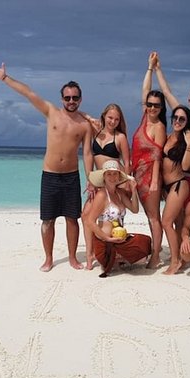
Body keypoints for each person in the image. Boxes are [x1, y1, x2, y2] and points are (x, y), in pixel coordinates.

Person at [0, 62, 93, 272]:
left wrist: (90, 179)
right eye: (67, 98)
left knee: (72, 219)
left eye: (75, 98)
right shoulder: (51, 112)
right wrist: (5, 78)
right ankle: (49, 258)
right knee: (48, 220)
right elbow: (29, 93)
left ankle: (73, 258)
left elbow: (87, 153)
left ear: (80, 99)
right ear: (62, 99)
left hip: (71, 177)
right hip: (50, 176)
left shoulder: (84, 125)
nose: (71, 101)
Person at [82, 104, 131, 269]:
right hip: (100, 179)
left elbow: (127, 162)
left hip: (116, 181)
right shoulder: (95, 131)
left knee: (114, 218)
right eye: (110, 117)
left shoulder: (120, 137)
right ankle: (90, 254)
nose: (113, 121)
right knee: (86, 215)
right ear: (104, 116)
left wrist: (126, 183)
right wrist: (90, 178)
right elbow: (89, 155)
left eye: (117, 119)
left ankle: (113, 251)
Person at [83, 160, 151, 278]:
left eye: (115, 174)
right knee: (141, 258)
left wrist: (134, 190)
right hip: (105, 242)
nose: (112, 177)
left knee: (146, 242)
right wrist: (107, 238)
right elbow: (90, 221)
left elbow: (135, 209)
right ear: (104, 177)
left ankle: (117, 258)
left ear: (119, 176)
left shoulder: (119, 193)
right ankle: (111, 258)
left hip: (119, 239)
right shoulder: (101, 195)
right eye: (109, 174)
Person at [132, 52, 167, 268]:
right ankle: (156, 247)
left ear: (161, 108)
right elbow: (145, 89)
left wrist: (154, 182)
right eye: (150, 104)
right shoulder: (145, 118)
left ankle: (155, 256)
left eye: (156, 105)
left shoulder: (159, 127)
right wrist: (150, 68)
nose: (152, 108)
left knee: (154, 217)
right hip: (137, 174)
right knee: (147, 215)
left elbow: (157, 156)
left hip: (150, 179)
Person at [160, 105, 190, 275]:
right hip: (166, 186)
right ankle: (183, 256)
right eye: (175, 117)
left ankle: (175, 261)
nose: (178, 121)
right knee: (178, 223)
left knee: (166, 222)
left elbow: (186, 166)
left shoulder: (186, 142)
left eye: (182, 119)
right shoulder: (167, 137)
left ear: (187, 122)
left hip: (178, 184)